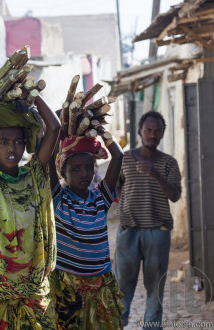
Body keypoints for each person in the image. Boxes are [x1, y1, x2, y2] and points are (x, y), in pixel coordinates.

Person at [0, 69, 61, 329]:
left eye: (18, 142)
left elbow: (54, 127)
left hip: (33, 297)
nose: (12, 148)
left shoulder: (35, 177)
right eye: (4, 142)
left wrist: (31, 95)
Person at [49, 129, 124, 329]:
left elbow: (118, 156)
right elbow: (47, 158)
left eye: (89, 167)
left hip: (100, 284)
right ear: (63, 172)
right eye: (76, 169)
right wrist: (57, 132)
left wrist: (100, 130)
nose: (84, 174)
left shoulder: (101, 198)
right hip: (67, 286)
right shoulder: (58, 199)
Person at [114, 111, 181, 329]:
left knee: (155, 290)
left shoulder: (169, 163)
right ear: (140, 131)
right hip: (128, 232)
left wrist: (156, 174)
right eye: (148, 130)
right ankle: (117, 325)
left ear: (162, 134)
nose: (152, 134)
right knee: (121, 288)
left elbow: (175, 195)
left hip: (157, 231)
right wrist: (124, 208)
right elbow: (117, 186)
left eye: (157, 131)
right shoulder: (124, 158)